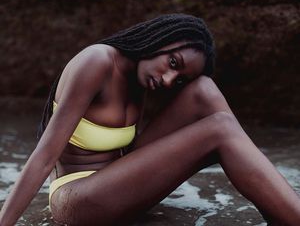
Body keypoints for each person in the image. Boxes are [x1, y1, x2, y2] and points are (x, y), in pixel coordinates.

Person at [0, 13, 300, 226]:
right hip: (78, 199)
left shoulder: (140, 79)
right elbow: (44, 155)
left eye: (178, 78)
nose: (169, 80)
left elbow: (130, 153)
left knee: (204, 90)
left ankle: (278, 203)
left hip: (117, 185)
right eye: (173, 63)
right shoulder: (96, 61)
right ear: (162, 39)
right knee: (221, 128)